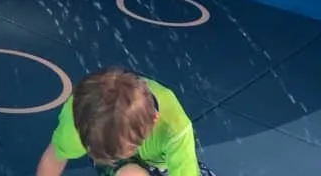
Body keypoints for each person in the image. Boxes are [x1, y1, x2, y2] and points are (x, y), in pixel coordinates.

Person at [35, 67, 215, 176]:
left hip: (163, 165)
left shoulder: (175, 128)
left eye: (126, 149)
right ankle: (113, 162)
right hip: (121, 167)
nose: (121, 155)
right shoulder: (81, 117)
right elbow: (54, 158)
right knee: (130, 174)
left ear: (153, 121)